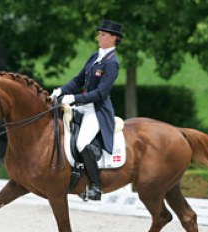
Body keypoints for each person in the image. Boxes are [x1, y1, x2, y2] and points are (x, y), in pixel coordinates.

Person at [51, 19, 124, 200]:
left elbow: (100, 93)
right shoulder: (95, 57)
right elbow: (78, 80)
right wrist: (61, 90)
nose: (99, 37)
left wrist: (75, 98)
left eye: (103, 34)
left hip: (97, 111)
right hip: (83, 107)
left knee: (82, 142)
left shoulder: (112, 63)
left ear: (113, 38)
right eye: (99, 33)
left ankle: (95, 187)